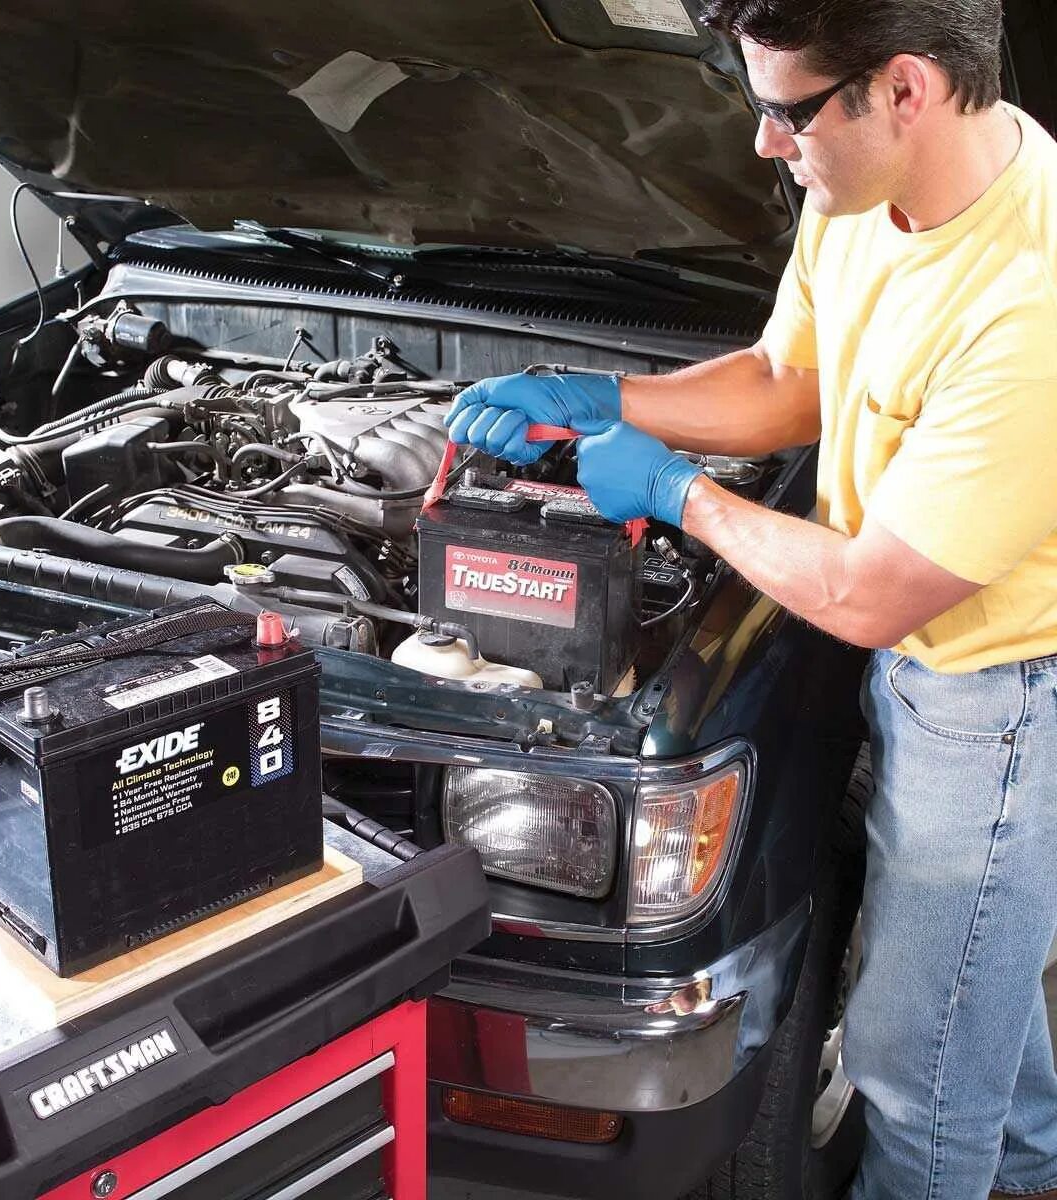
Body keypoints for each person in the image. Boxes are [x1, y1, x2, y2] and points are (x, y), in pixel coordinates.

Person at [444, 2, 1057, 1196]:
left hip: (996, 700)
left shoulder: (1031, 305)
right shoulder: (869, 194)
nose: (766, 147)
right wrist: (603, 396)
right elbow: (787, 386)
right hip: (917, 652)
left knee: (912, 1075)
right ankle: (1035, 1164)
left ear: (906, 89)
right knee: (978, 983)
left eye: (786, 114)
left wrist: (679, 494)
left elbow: (875, 594)